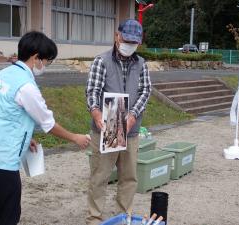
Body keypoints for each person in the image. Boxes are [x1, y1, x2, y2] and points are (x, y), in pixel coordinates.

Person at [0, 31, 91, 225]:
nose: (46, 66)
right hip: (1, 162)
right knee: (9, 216)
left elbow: (3, 114)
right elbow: (48, 123)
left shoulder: (4, 74)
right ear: (36, 58)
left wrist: (25, 137)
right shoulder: (26, 86)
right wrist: (75, 138)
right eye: (47, 61)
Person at [85, 19, 151, 225]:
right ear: (117, 36)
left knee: (129, 177)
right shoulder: (101, 61)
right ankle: (95, 218)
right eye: (126, 40)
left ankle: (124, 215)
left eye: (134, 42)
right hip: (107, 127)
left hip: (131, 129)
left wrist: (132, 115)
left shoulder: (141, 64)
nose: (129, 45)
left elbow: (145, 91)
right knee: (100, 176)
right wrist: (96, 112)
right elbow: (93, 91)